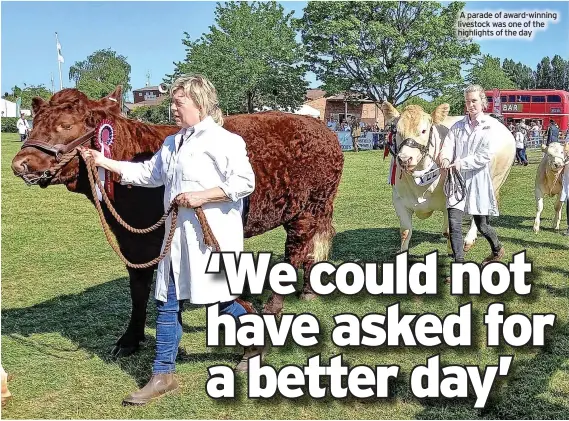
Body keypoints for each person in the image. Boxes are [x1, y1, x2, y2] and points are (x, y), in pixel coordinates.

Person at [80, 74, 262, 406]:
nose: (173, 109)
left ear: (200, 104)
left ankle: (256, 339)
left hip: (211, 238)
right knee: (166, 302)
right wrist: (103, 160)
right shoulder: (173, 143)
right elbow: (149, 174)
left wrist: (203, 196)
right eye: (173, 103)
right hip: (176, 239)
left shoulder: (225, 141)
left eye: (179, 103)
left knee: (220, 303)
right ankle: (163, 374)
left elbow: (245, 181)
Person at [438, 84, 505, 279]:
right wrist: (444, 157)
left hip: (477, 180)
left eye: (474, 100)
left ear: (482, 102)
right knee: (454, 224)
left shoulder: (489, 126)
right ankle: (459, 267)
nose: (470, 104)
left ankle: (497, 249)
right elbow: (448, 145)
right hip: (456, 181)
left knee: (482, 226)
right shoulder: (457, 126)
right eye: (467, 101)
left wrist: (461, 162)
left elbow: (484, 155)